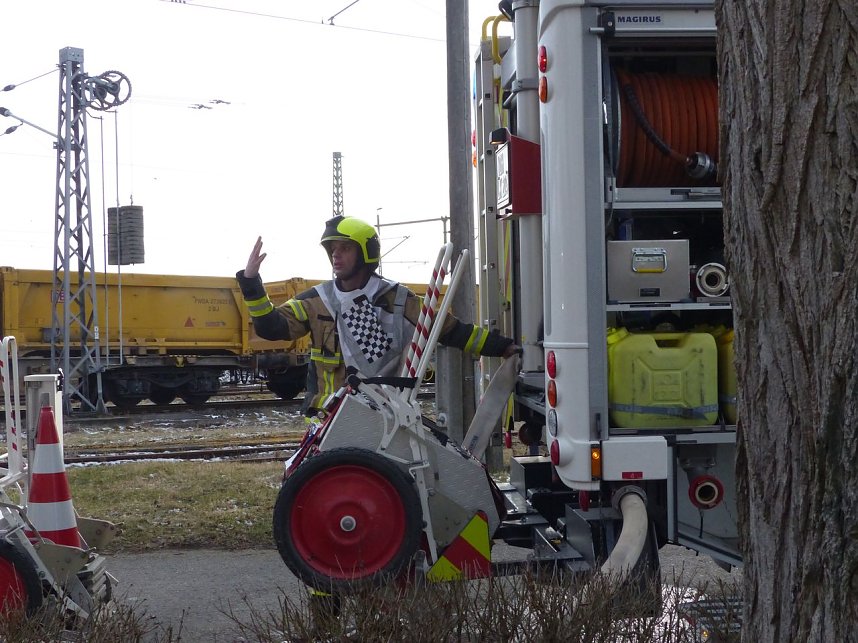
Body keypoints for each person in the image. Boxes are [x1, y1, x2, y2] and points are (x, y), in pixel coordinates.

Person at [236, 215, 519, 419]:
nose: (336, 256)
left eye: (344, 248)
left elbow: (449, 331)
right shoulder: (315, 301)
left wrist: (501, 346)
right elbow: (271, 327)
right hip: (328, 416)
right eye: (332, 250)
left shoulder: (397, 299)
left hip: (384, 416)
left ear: (365, 253)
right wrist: (251, 282)